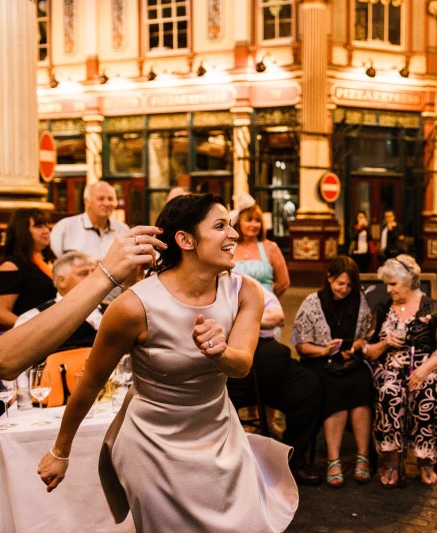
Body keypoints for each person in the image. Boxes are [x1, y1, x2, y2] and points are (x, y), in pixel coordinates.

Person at [38, 194, 297, 532]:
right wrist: (60, 451)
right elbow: (90, 381)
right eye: (220, 226)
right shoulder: (134, 307)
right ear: (185, 240)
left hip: (221, 438)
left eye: (230, 225)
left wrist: (220, 352)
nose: (233, 235)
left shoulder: (246, 292)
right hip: (152, 447)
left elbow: (242, 365)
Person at [0, 225, 163, 379]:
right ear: (61, 280)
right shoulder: (30, 317)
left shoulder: (107, 311)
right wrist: (105, 273)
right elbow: (2, 359)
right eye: (84, 273)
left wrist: (131, 283)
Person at [364, 254, 437, 488]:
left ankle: (425, 460)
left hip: (426, 366)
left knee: (428, 391)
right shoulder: (382, 310)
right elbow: (367, 350)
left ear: (409, 281)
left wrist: (422, 371)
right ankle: (391, 461)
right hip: (390, 366)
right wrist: (384, 344)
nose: (388, 289)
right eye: (386, 284)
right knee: (389, 391)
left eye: (393, 284)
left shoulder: (432, 308)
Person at [291, 256, 374, 488]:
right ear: (329, 278)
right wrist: (323, 350)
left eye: (349, 285)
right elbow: (300, 345)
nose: (344, 290)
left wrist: (354, 347)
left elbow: (366, 336)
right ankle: (333, 459)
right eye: (340, 284)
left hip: (350, 360)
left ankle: (362, 456)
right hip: (318, 359)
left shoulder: (360, 301)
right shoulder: (312, 302)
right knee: (334, 386)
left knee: (362, 382)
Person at [227, 286, 323, 486]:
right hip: (229, 363)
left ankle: (294, 460)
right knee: (220, 395)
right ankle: (232, 465)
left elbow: (277, 316)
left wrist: (246, 320)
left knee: (308, 385)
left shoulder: (245, 284)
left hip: (268, 356)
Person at [50, 181, 131, 301]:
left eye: (110, 199)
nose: (107, 203)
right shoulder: (65, 227)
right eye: (101, 198)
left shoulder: (123, 230)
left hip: (112, 302)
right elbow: (56, 265)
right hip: (75, 301)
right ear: (87, 201)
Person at [14, 252, 101, 351]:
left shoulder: (111, 309)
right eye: (83, 273)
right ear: (61, 281)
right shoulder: (32, 319)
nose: (93, 278)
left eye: (94, 272)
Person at [0, 209, 56, 328]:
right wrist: (32, 328)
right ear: (22, 231)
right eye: (39, 226)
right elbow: (0, 313)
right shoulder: (11, 266)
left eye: (47, 226)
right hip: (32, 337)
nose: (46, 231)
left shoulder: (52, 261)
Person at [231, 195, 290, 297]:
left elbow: (283, 283)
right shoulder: (230, 247)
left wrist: (268, 298)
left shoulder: (271, 247)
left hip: (265, 307)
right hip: (234, 307)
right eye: (249, 220)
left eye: (257, 220)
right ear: (238, 223)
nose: (254, 225)